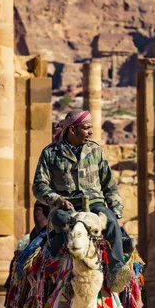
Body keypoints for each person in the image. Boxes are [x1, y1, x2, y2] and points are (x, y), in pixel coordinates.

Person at [32, 109, 131, 293]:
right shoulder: (50, 153)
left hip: (94, 204)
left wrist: (116, 209)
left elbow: (109, 185)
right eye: (86, 128)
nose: (91, 132)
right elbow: (39, 185)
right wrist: (57, 200)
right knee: (62, 222)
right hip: (64, 206)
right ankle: (57, 271)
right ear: (72, 130)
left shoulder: (95, 151)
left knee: (109, 220)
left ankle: (116, 270)